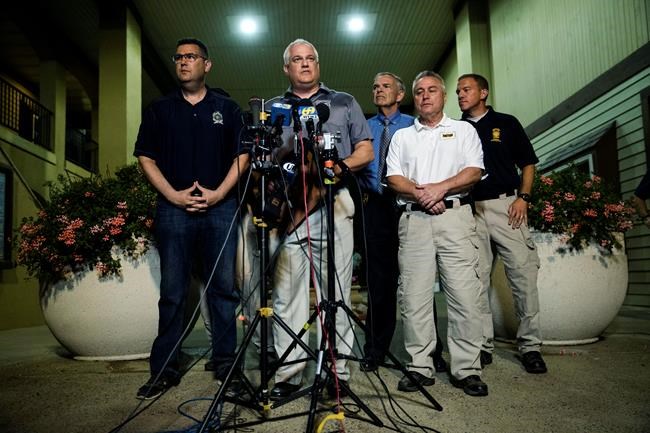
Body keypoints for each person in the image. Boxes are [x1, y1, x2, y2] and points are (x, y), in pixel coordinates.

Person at [134, 38, 247, 399]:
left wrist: (219, 194)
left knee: (223, 291)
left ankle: (227, 366)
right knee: (172, 293)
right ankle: (164, 370)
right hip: (173, 211)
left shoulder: (227, 109)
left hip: (220, 209)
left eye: (191, 57)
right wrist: (173, 195)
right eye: (179, 57)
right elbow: (146, 157)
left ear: (206, 65)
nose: (183, 62)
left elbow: (242, 156)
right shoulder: (159, 109)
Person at [266, 38, 374, 400]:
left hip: (335, 201)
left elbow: (365, 149)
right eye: (297, 59)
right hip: (291, 210)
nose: (305, 63)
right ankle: (289, 373)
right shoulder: (274, 107)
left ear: (318, 64)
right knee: (287, 294)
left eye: (310, 58)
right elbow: (263, 157)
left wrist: (339, 167)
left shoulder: (343, 102)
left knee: (337, 293)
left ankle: (337, 373)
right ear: (287, 68)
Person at [386, 71, 488, 397]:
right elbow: (394, 178)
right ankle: (420, 366)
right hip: (414, 221)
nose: (425, 96)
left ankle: (467, 369)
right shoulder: (402, 137)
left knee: (464, 295)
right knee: (414, 297)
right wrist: (424, 194)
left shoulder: (464, 131)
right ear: (413, 98)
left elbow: (473, 171)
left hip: (455, 219)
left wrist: (440, 188)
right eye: (419, 91)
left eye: (432, 90)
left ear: (443, 95)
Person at [456, 73, 547, 374]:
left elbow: (528, 163)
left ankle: (530, 347)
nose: (460, 95)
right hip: (470, 210)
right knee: (476, 280)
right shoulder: (456, 129)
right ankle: (483, 345)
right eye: (457, 91)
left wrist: (524, 197)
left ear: (483, 92)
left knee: (523, 276)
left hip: (507, 207)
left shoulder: (506, 123)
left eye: (466, 89)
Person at [358, 72, 447, 374]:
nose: (378, 90)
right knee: (378, 283)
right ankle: (375, 349)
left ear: (399, 95)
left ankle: (432, 351)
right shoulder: (364, 127)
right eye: (375, 86)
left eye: (386, 86)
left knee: (418, 280)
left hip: (409, 203)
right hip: (375, 207)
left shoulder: (414, 124)